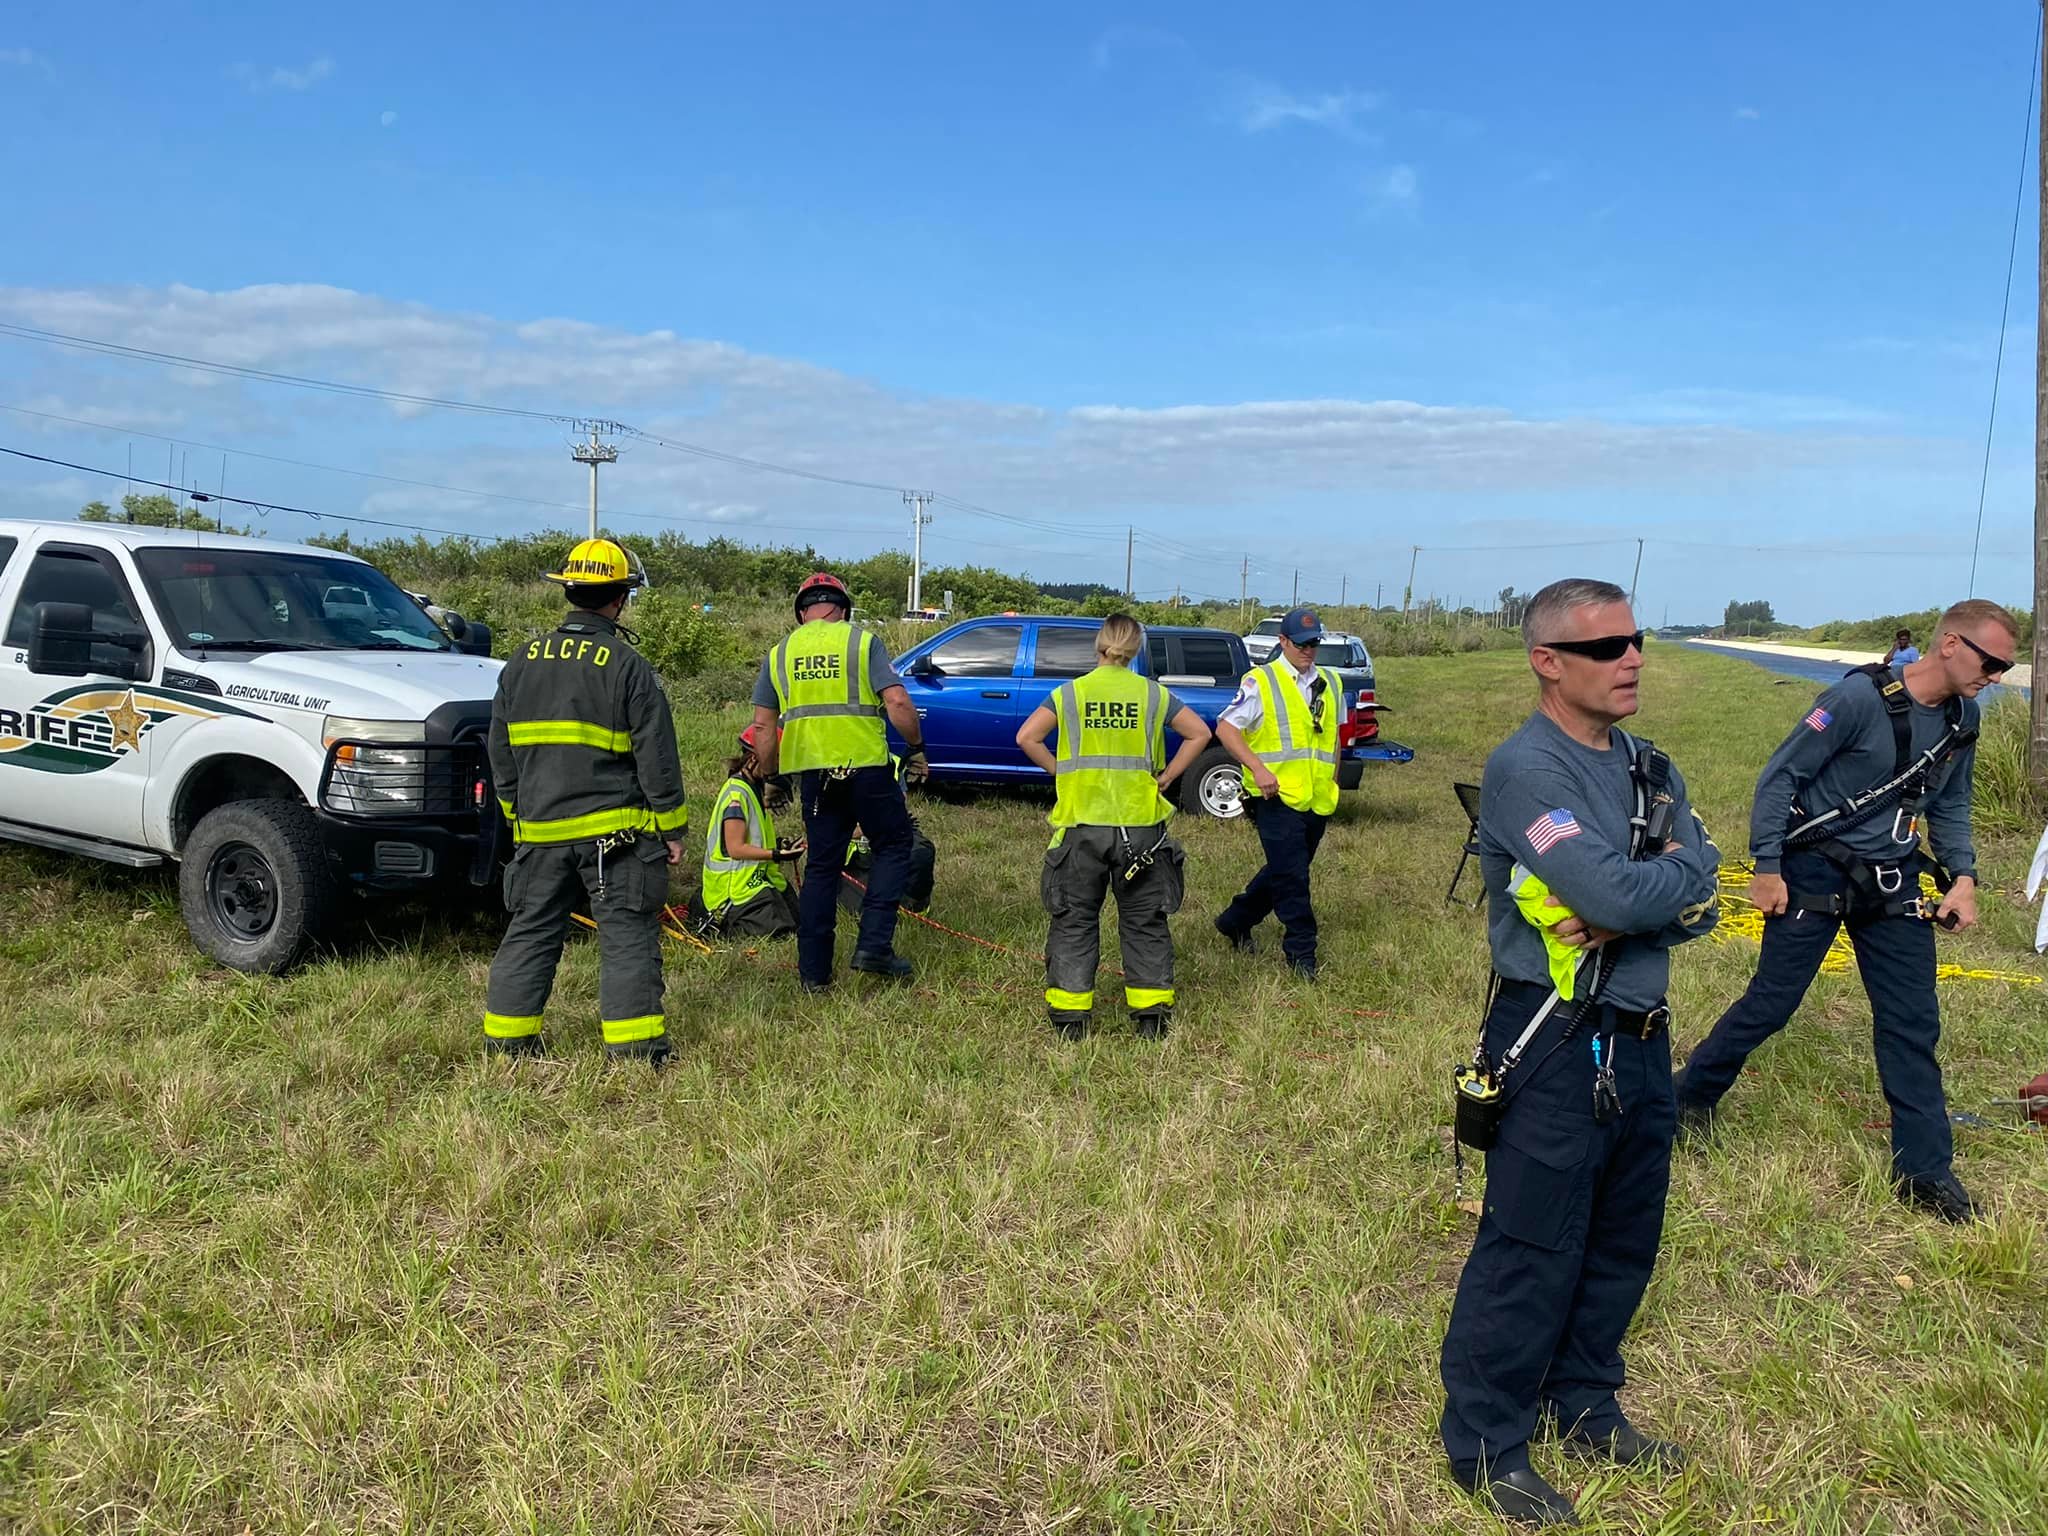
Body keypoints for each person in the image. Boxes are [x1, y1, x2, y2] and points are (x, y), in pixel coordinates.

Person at [1440, 578, 1719, 1527]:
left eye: (1635, 640)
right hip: (1556, 1036)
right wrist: (1654, 888)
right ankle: (1487, 1443)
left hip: (1643, 1038)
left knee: (1622, 1237)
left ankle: (1585, 1399)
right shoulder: (1529, 769)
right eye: (1606, 647)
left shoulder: (1649, 764)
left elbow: (1701, 898)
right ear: (1547, 662)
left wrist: (1655, 891)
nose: (1632, 658)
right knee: (1530, 1244)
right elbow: (1617, 895)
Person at [1674, 599, 2015, 1223]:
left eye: (2004, 667)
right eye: (1990, 661)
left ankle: (1924, 1171)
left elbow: (1951, 805)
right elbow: (1780, 778)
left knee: (1913, 1022)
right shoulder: (1857, 699)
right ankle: (1689, 1097)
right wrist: (1768, 868)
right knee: (1773, 1002)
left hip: (1894, 883)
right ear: (1949, 644)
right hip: (1815, 872)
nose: (1995, 676)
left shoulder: (1964, 720)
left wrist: (1963, 878)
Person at [483, 537, 688, 1064]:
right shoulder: (626, 664)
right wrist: (672, 829)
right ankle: (636, 1050)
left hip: (540, 834)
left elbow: (500, 753)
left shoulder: (520, 663)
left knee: (530, 931)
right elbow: (656, 757)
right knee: (626, 937)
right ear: (620, 597)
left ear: (570, 591)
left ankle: (509, 1041)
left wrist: (517, 816)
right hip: (614, 838)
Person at [1016, 614, 1212, 1039]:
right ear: (1136, 649)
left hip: (1082, 824)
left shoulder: (1071, 693)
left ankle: (1070, 1021)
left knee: (1074, 919)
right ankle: (1151, 1019)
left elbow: (1026, 737)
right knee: (1144, 921)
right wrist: (1168, 777)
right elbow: (1198, 732)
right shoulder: (1152, 694)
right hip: (1141, 828)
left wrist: (1060, 772)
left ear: (1098, 647)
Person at [750, 572, 929, 991]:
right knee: (894, 844)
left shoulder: (779, 654)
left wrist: (773, 777)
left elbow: (762, 726)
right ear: (844, 608)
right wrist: (916, 746)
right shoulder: (862, 642)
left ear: (800, 612)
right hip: (866, 768)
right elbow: (898, 700)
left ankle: (813, 974)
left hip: (815, 776)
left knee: (822, 868)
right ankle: (874, 946)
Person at [1211, 605, 1342, 978]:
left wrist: (1332, 777)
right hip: (1274, 797)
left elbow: (1333, 736)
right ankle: (1302, 954)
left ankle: (1235, 920)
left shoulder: (1330, 682)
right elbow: (1226, 728)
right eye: (1300, 643)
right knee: (1293, 878)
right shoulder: (1260, 681)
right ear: (1282, 641)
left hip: (1316, 798)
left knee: (1288, 869)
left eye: (1314, 643)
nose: (1308, 650)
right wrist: (1257, 769)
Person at [690, 723, 802, 939]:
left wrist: (780, 846)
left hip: (755, 882)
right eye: (776, 758)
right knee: (779, 933)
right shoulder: (736, 796)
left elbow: (755, 838)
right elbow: (735, 849)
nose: (779, 764)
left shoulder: (753, 789)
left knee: (798, 919)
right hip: (734, 894)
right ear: (754, 758)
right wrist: (776, 855)